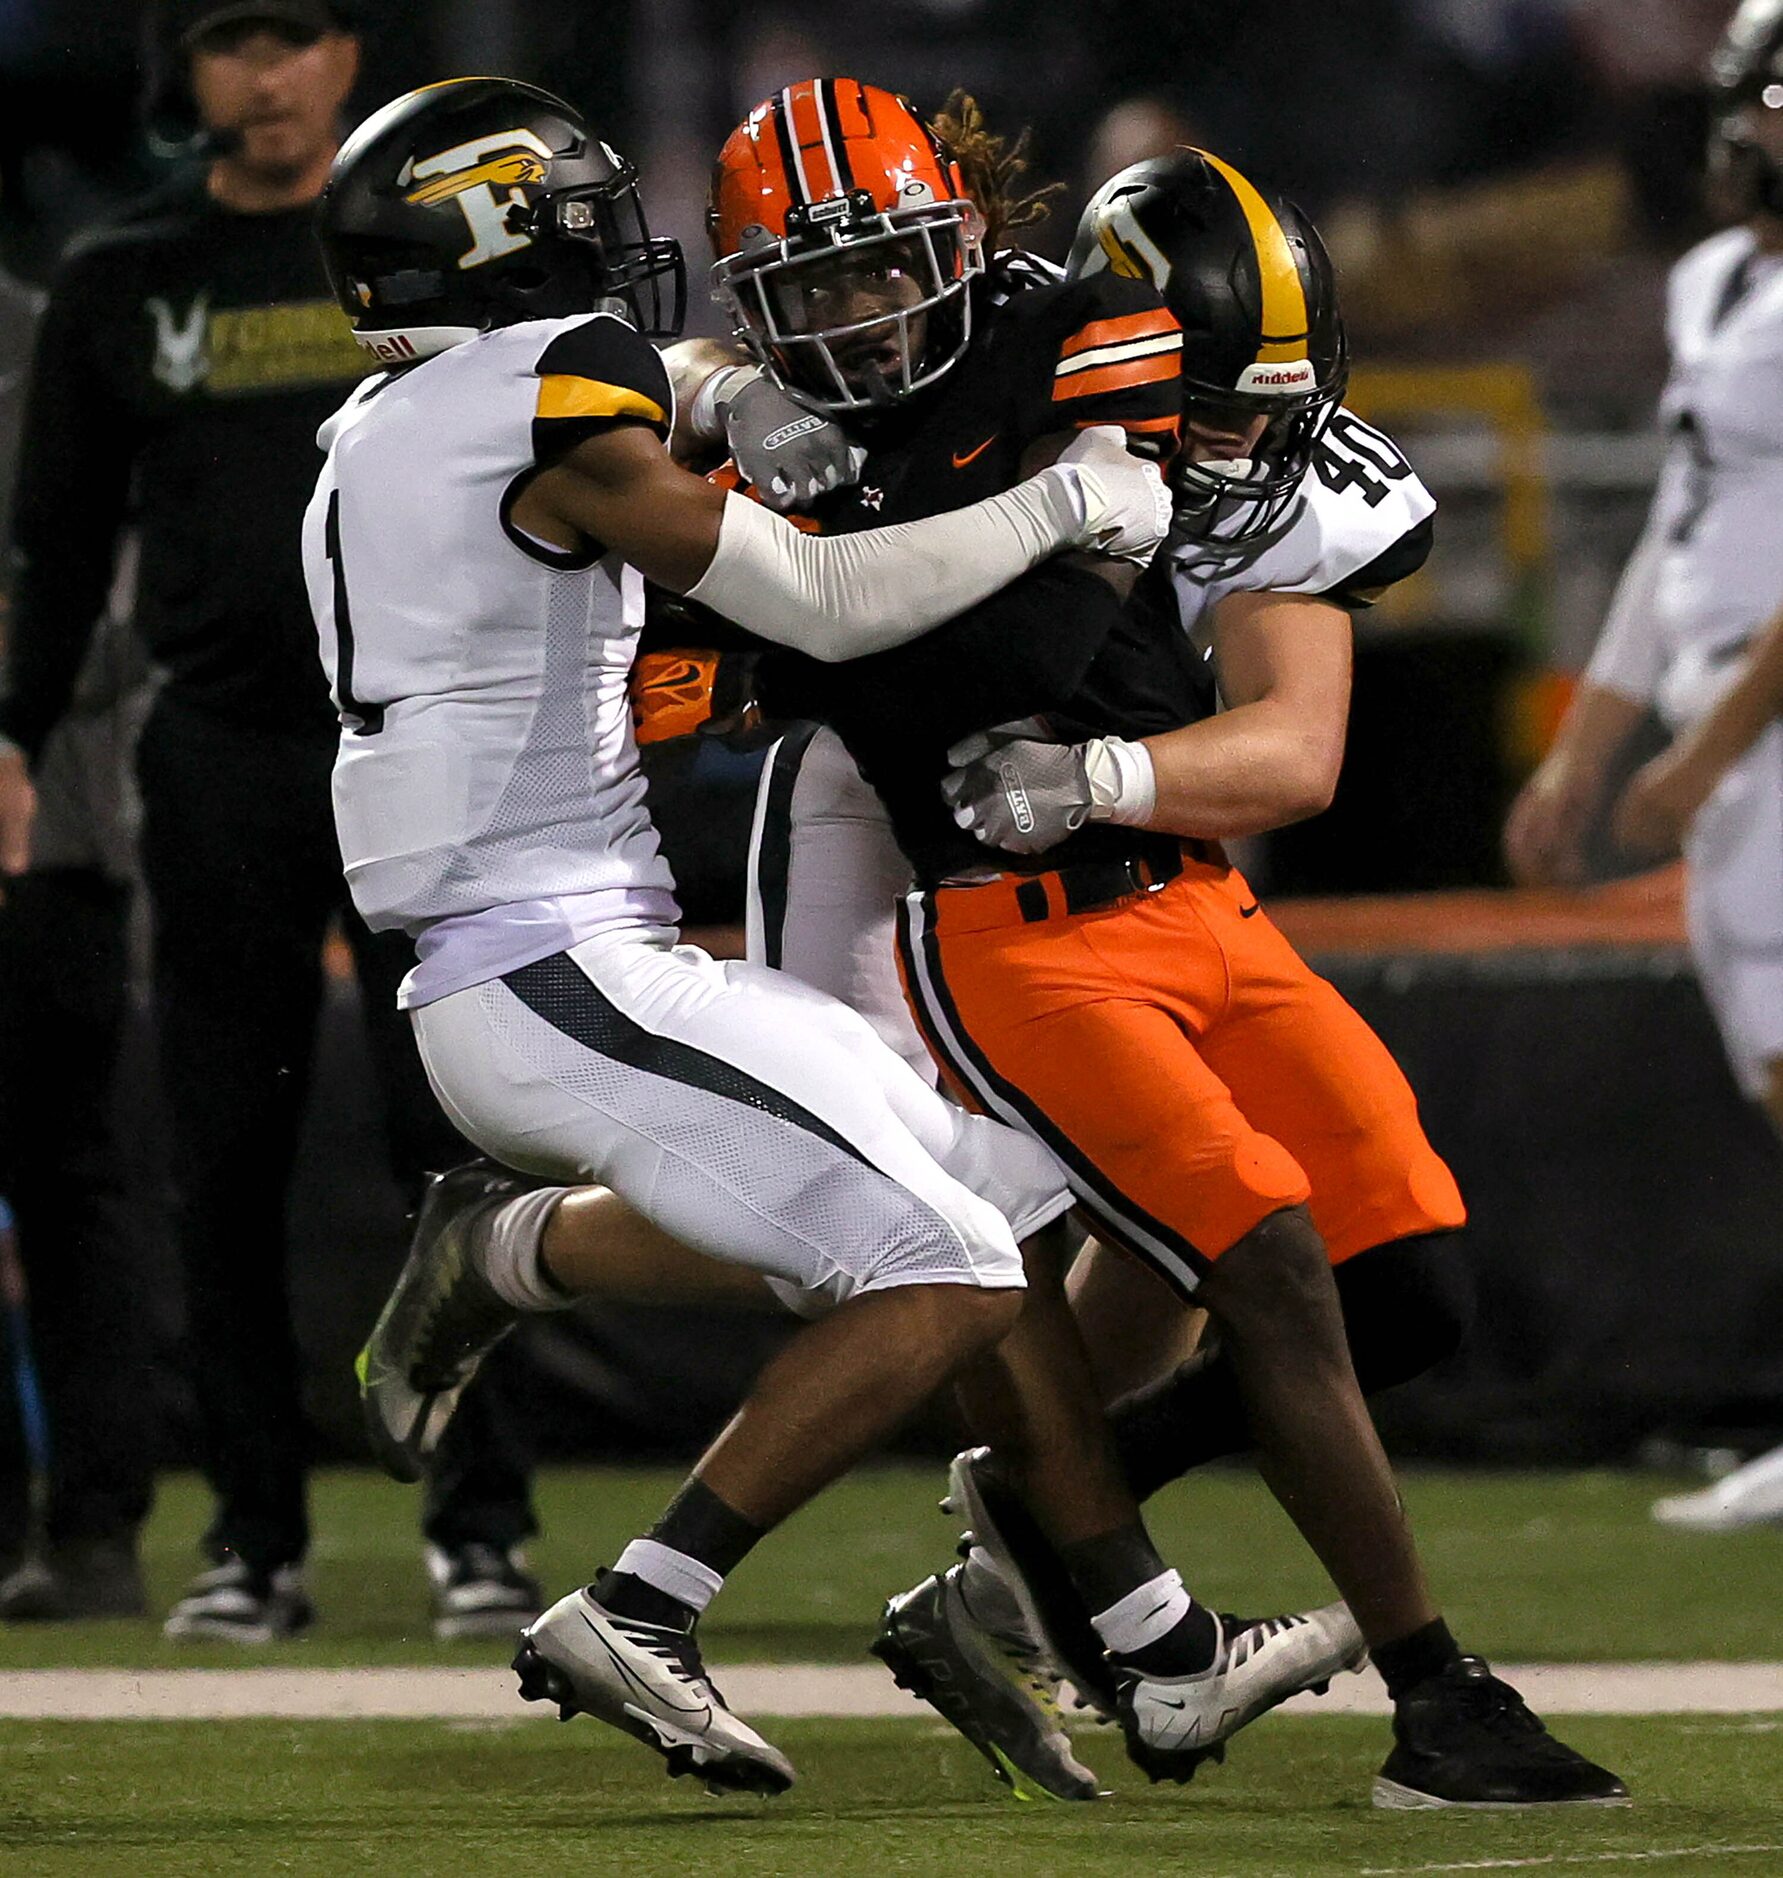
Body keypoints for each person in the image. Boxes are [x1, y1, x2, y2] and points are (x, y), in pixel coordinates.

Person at [317, 74, 1360, 1798]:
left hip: (560, 945)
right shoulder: (555, 387)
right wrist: (1066, 506)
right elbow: (810, 596)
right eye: (581, 225)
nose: (621, 264)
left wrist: (721, 387)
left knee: (1006, 1213)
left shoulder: (382, 427)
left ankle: (1160, 1651)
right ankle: (643, 1601)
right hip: (545, 957)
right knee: (939, 1259)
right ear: (508, 241)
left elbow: (636, 410)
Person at [675, 129, 1624, 1810]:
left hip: (1160, 859)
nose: (1251, 444)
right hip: (905, 831)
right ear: (1116, 352)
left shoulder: (1270, 474)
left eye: (1280, 403)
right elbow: (790, 375)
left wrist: (1103, 777)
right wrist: (717, 384)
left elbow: (1296, 754)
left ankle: (1042, 1535)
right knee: (899, 1215)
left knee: (1371, 1278)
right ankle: (1140, 1596)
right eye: (1218, 403)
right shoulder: (1011, 369)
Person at [0, 0, 543, 1643]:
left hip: (426, 739)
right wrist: (13, 738)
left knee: (461, 1141)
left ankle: (484, 1530)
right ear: (191, 74)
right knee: (218, 1159)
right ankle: (255, 1542)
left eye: (295, 34)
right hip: (222, 756)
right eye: (233, 41)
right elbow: (55, 543)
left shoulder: (429, 250)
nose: (268, 75)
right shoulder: (123, 278)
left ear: (346, 58)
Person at [1504, 0, 1783, 1531]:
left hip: (1769, 719)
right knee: (1767, 1059)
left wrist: (1717, 738)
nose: (1751, 132)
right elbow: (1675, 541)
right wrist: (1589, 756)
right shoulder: (1714, 283)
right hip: (1722, 712)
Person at [0, 259, 158, 1622]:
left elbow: (120, 614)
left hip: (44, 838)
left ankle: (96, 1525)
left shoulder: (60, 339)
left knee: (67, 1186)